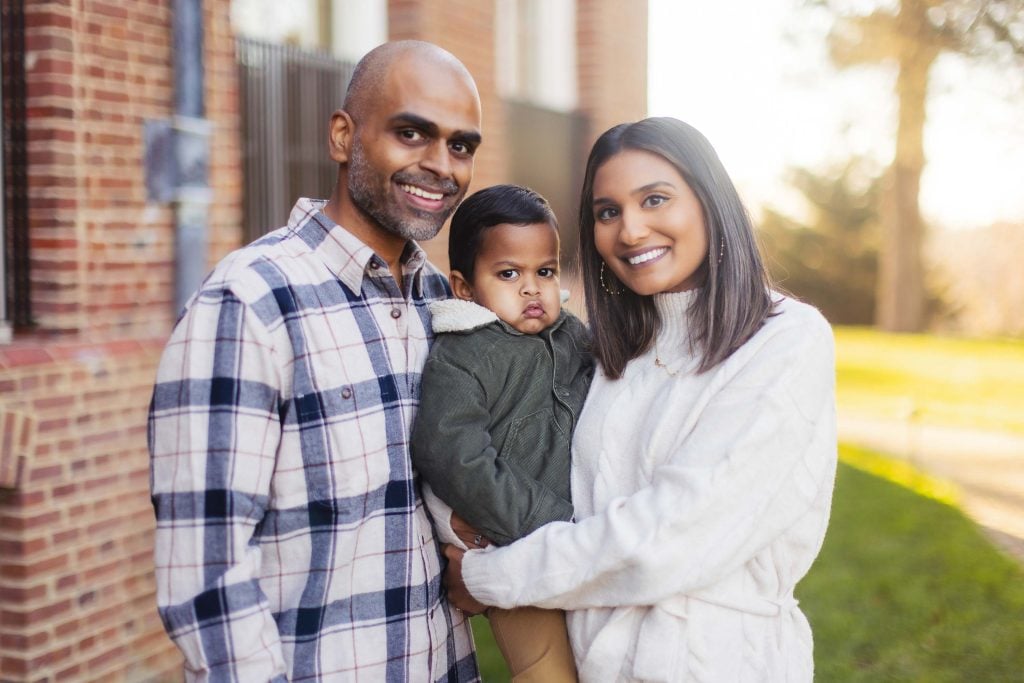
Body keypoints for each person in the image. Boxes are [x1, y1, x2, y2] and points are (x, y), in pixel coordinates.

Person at [443, 117, 838, 682]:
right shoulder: (605, 350)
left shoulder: (783, 339)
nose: (630, 230)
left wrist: (493, 576)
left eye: (655, 199)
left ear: (709, 201)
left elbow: (675, 536)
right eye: (607, 212)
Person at [148, 41, 483, 682]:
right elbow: (206, 578)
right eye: (412, 133)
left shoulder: (444, 305)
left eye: (461, 145)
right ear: (342, 136)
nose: (440, 165)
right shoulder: (249, 302)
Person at [411, 184, 593, 682]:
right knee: (545, 669)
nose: (532, 288)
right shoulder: (463, 356)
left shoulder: (570, 334)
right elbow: (454, 455)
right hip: (505, 540)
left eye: (545, 271)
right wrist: (549, 521)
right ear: (465, 288)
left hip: (572, 537)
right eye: (508, 274)